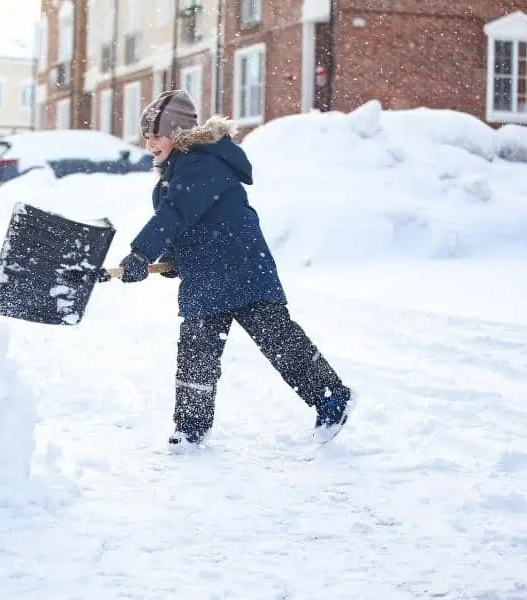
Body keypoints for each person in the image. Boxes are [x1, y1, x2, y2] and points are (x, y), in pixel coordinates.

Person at [116, 89, 353, 449]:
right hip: (206, 278)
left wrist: (139, 253)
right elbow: (185, 224)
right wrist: (172, 259)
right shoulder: (176, 172)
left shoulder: (202, 163)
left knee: (279, 340)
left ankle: (332, 396)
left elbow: (176, 212)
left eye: (158, 136)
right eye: (147, 137)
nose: (151, 144)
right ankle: (190, 429)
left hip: (241, 270)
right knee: (196, 355)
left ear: (178, 135)